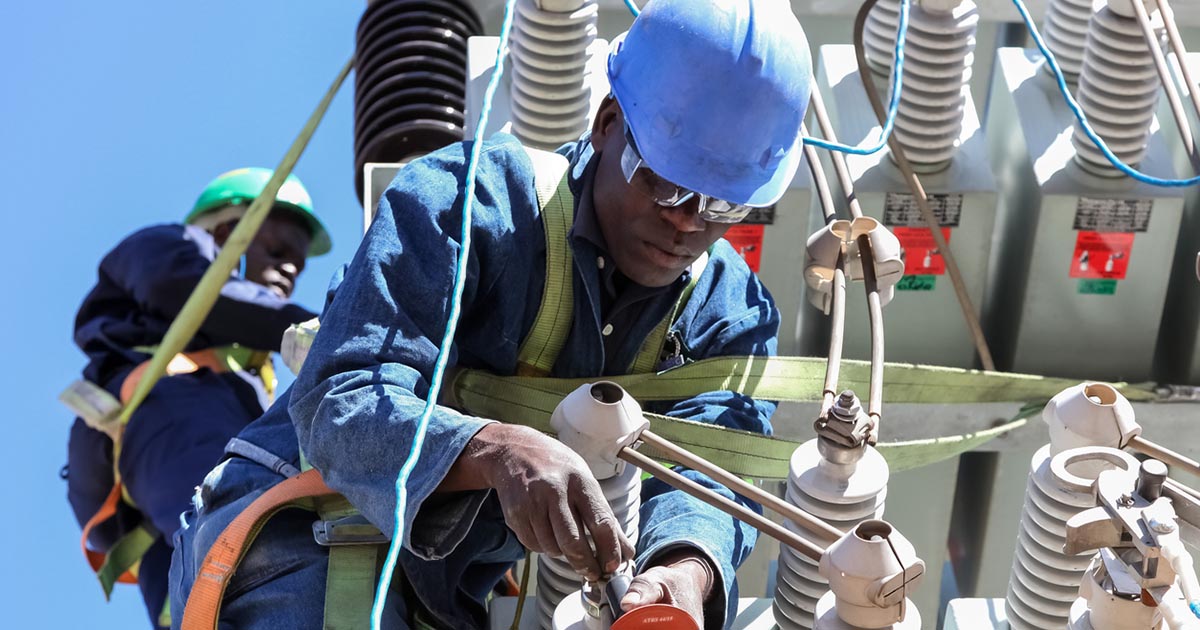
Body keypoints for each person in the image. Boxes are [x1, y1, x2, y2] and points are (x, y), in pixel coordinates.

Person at [169, 1, 812, 628]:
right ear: (608, 122)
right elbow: (338, 400)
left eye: (722, 206)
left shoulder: (732, 314)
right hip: (304, 539)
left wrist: (684, 569)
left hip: (439, 600)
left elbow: (710, 475)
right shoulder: (472, 202)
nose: (685, 222)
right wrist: (493, 449)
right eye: (664, 183)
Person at [64, 167, 331, 628]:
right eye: (278, 250)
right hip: (171, 416)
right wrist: (325, 327)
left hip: (154, 498)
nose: (290, 269)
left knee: (193, 606)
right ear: (228, 230)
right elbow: (191, 289)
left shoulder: (246, 369)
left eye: (299, 264)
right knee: (247, 545)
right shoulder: (171, 247)